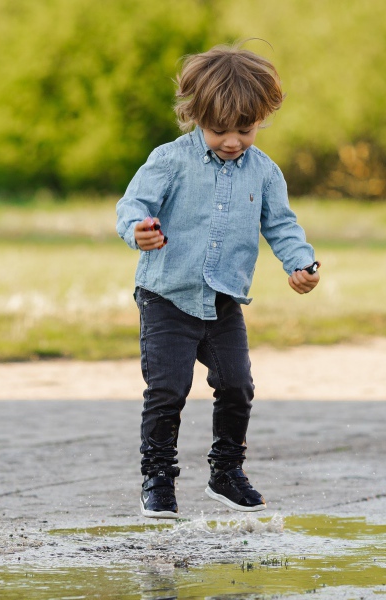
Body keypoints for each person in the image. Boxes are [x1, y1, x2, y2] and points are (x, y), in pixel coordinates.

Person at [115, 43, 320, 519]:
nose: (232, 141)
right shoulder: (170, 160)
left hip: (224, 300)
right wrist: (138, 230)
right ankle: (158, 479)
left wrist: (302, 263)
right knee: (168, 389)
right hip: (166, 296)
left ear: (261, 119)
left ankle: (226, 473)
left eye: (244, 130)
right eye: (219, 130)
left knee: (237, 385)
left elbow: (282, 225)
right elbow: (133, 205)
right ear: (195, 116)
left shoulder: (264, 172)